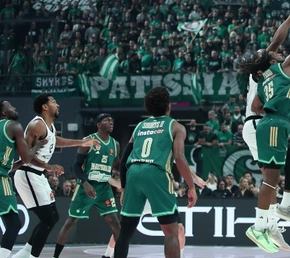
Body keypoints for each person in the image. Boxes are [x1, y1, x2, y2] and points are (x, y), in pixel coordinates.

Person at [242, 13, 290, 253]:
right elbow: (278, 40)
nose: (275, 51)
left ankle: (273, 221)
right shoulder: (262, 71)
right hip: (260, 123)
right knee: (271, 179)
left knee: (278, 171)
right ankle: (266, 223)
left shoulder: (267, 73)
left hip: (260, 123)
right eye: (270, 53)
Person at [114, 87, 199, 258]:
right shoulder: (176, 126)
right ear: (169, 106)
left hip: (133, 173)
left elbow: (123, 160)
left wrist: (123, 187)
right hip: (156, 173)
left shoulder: (139, 127)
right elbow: (179, 157)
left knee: (125, 232)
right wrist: (191, 187)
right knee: (171, 233)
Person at [12, 94, 99, 258]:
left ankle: (24, 253)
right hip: (27, 174)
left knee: (53, 217)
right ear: (45, 107)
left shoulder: (50, 126)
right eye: (53, 102)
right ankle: (32, 256)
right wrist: (48, 166)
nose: (57, 105)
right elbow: (24, 155)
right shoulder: (36, 125)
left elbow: (55, 141)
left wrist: (82, 142)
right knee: (48, 220)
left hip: (38, 175)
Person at [53, 114, 121, 258]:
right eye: (107, 120)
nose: (111, 122)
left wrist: (121, 182)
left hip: (104, 188)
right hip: (86, 186)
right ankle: (55, 256)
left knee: (115, 223)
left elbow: (116, 167)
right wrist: (85, 184)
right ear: (98, 124)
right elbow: (76, 166)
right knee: (70, 222)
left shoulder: (115, 145)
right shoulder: (88, 140)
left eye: (112, 120)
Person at [0, 101, 46, 258]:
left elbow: (9, 166)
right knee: (14, 224)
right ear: (4, 112)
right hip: (1, 180)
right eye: (10, 106)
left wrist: (19, 163)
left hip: (3, 172)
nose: (14, 108)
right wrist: (36, 146)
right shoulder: (13, 126)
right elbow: (27, 158)